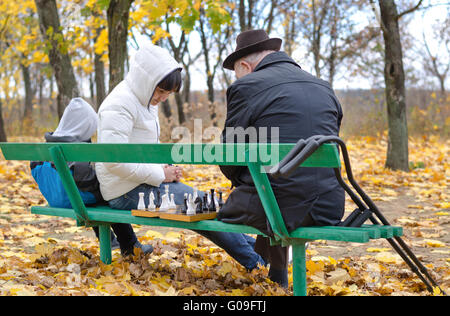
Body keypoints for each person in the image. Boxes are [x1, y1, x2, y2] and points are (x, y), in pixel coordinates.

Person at [95, 43, 265, 271]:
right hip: (124, 191)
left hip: (139, 183)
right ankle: (258, 264)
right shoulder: (119, 104)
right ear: (147, 81)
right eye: (162, 91)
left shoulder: (143, 98)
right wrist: (160, 174)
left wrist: (163, 167)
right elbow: (114, 161)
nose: (164, 98)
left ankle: (260, 254)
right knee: (201, 208)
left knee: (207, 204)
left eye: (168, 93)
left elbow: (140, 148)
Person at [218, 29, 345, 287]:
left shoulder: (246, 86)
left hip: (276, 206)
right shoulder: (323, 86)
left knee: (234, 205)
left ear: (244, 65)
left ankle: (266, 267)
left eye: (236, 72)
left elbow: (228, 159)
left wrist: (241, 177)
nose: (237, 78)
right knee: (273, 185)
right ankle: (277, 274)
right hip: (330, 206)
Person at [30, 97, 120, 250]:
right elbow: (87, 180)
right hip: (73, 198)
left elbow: (35, 168)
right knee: (113, 194)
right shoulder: (76, 151)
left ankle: (111, 240)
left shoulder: (48, 146)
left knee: (96, 195)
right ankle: (129, 242)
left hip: (55, 198)